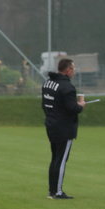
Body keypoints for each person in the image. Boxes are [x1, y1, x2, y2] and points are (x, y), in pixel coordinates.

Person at [42, 58, 87, 199]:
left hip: (51, 124)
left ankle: (52, 190)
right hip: (64, 128)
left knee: (55, 158)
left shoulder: (48, 83)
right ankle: (58, 192)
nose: (74, 71)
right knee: (61, 160)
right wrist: (81, 105)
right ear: (68, 70)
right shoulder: (67, 87)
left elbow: (45, 104)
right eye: (73, 69)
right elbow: (73, 108)